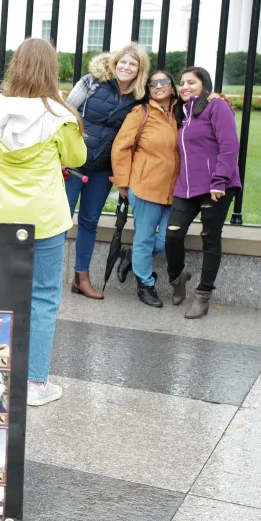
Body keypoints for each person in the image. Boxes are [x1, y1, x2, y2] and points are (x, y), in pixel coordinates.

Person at [0, 38, 85, 407]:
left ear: (15, 65)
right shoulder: (59, 115)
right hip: (43, 214)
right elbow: (77, 156)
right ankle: (34, 383)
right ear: (51, 69)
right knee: (43, 296)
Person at [63, 45, 149, 297]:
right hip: (73, 163)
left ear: (139, 70)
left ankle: (81, 278)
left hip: (103, 170)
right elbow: (64, 111)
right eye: (122, 62)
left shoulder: (140, 98)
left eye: (132, 64)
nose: (126, 67)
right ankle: (42, 275)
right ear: (114, 62)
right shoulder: (91, 82)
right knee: (60, 219)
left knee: (89, 222)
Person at [165, 66, 241, 319]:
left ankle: (202, 295)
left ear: (204, 85)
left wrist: (219, 180)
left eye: (191, 82)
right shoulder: (182, 112)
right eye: (182, 82)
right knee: (172, 236)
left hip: (216, 187)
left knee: (210, 238)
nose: (185, 86)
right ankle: (177, 278)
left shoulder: (216, 107)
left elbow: (229, 145)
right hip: (186, 187)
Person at [110, 69, 180, 307]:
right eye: (153, 83)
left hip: (175, 189)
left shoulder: (181, 112)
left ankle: (132, 257)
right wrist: (122, 182)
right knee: (145, 237)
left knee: (168, 239)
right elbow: (120, 147)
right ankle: (145, 284)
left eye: (164, 82)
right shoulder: (140, 113)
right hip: (144, 186)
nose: (158, 86)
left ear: (172, 86)